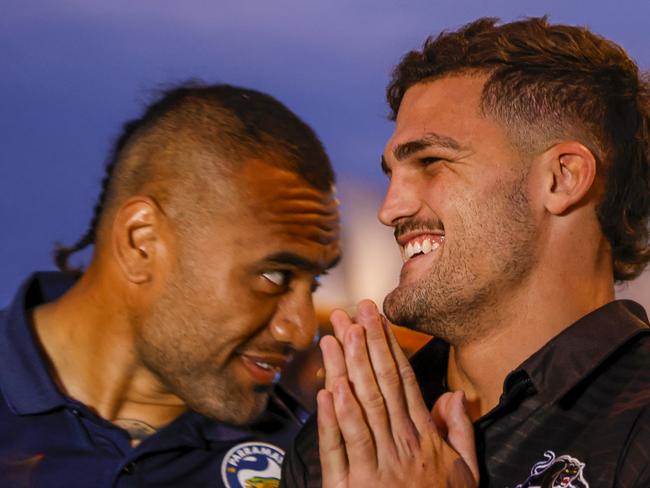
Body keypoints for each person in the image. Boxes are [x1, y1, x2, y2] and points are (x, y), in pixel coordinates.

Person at [282, 17, 650, 487]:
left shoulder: (637, 421)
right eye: (392, 172)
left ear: (562, 178)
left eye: (431, 161)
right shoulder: (347, 434)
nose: (390, 209)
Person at [0, 82, 341, 487]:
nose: (302, 331)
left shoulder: (313, 464)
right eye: (273, 276)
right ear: (141, 242)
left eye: (314, 282)